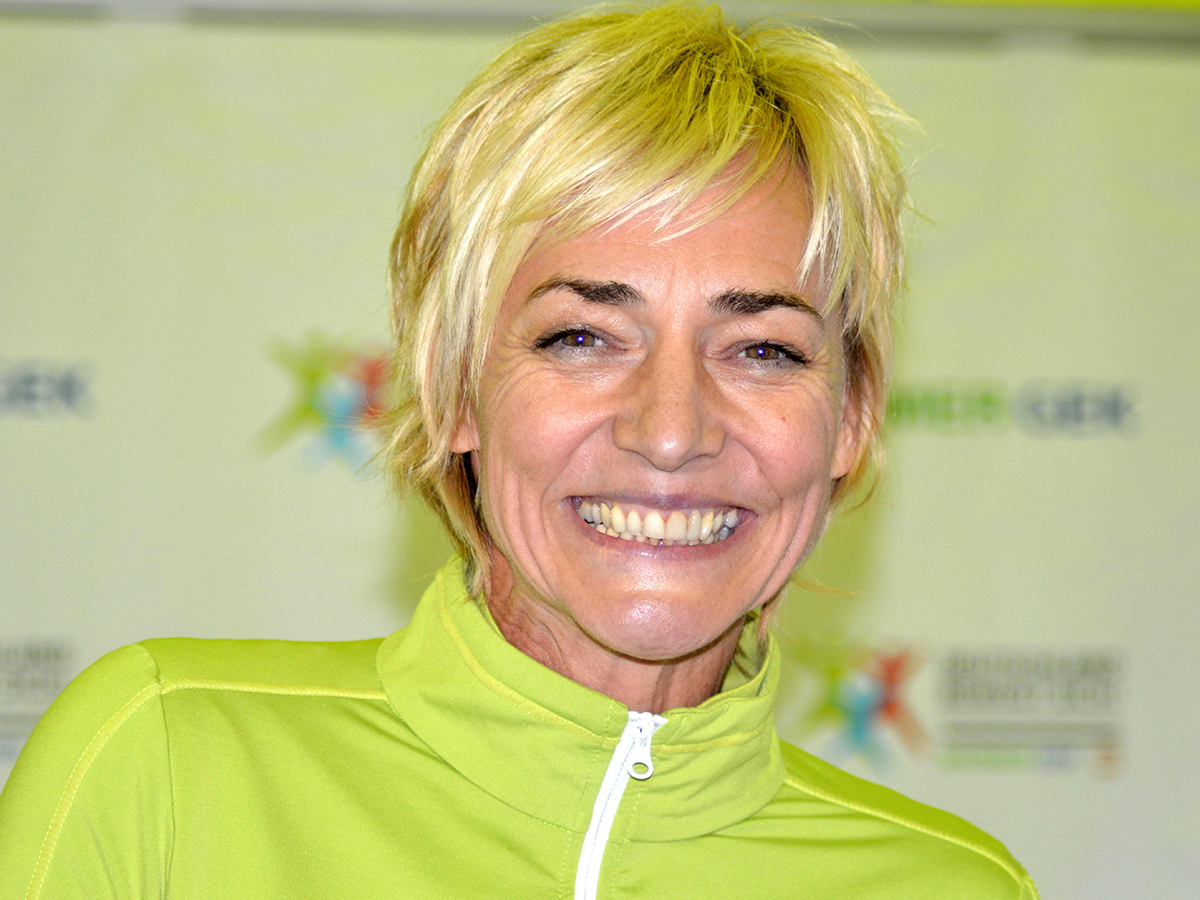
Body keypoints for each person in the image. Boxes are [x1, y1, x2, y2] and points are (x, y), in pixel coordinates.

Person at [0, 4, 1039, 898]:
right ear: (454, 385)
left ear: (852, 416)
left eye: (763, 349)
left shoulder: (953, 886)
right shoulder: (165, 762)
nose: (670, 431)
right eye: (582, 337)